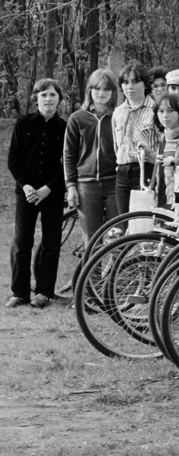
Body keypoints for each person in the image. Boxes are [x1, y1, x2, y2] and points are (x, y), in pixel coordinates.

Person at [8, 78, 67, 307]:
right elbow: (13, 159)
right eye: (43, 95)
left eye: (52, 95)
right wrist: (26, 186)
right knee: (22, 241)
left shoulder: (64, 127)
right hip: (27, 191)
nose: (48, 99)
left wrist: (48, 188)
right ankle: (19, 292)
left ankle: (44, 292)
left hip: (52, 191)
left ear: (59, 99)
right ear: (36, 98)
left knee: (51, 242)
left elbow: (68, 163)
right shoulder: (23, 123)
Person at [63, 68, 118, 245]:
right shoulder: (77, 118)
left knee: (117, 237)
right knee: (92, 240)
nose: (101, 93)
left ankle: (116, 273)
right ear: (90, 90)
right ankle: (91, 274)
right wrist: (71, 186)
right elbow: (69, 154)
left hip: (115, 183)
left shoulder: (119, 116)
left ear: (113, 92)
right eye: (97, 89)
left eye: (106, 89)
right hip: (86, 185)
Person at [111, 62, 157, 218]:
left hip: (146, 169)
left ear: (145, 85)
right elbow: (116, 145)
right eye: (125, 82)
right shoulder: (118, 112)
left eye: (135, 81)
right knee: (124, 221)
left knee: (143, 222)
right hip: (123, 171)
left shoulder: (155, 110)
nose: (130, 86)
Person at [152, 93, 179, 207]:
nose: (165, 115)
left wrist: (177, 161)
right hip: (163, 195)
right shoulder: (163, 136)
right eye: (161, 111)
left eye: (170, 111)